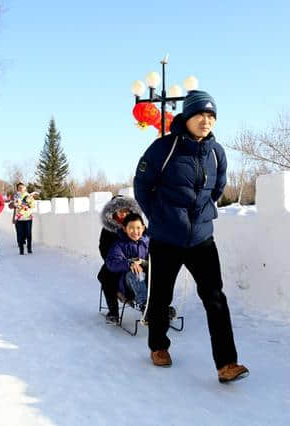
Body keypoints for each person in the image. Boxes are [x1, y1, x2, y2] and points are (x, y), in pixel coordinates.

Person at [133, 90, 249, 383]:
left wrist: (203, 214)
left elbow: (218, 188)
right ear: (186, 117)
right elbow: (141, 185)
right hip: (166, 238)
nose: (206, 120)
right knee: (160, 296)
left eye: (211, 116)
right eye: (201, 114)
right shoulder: (164, 148)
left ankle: (227, 363)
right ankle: (158, 346)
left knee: (215, 298)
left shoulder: (216, 152)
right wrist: (158, 217)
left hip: (201, 239)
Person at [98, 195, 142, 323]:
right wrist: (119, 262)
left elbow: (147, 240)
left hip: (139, 260)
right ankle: (113, 312)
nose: (124, 214)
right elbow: (103, 249)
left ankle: (162, 307)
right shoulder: (108, 229)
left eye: (126, 211)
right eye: (120, 211)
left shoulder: (136, 225)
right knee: (106, 277)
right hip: (116, 262)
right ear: (113, 212)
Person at [105, 213, 149, 310]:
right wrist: (129, 263)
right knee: (136, 272)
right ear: (125, 229)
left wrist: (143, 262)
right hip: (128, 283)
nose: (135, 231)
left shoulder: (148, 242)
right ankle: (144, 305)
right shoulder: (119, 244)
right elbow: (112, 263)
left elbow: (156, 260)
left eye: (138, 228)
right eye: (131, 228)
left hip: (148, 279)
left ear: (143, 228)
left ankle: (162, 305)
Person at [9, 182, 36, 255]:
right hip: (19, 218)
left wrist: (27, 204)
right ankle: (21, 250)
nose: (21, 189)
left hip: (28, 217)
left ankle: (29, 248)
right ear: (17, 189)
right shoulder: (15, 196)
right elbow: (10, 205)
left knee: (28, 234)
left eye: (22, 187)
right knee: (20, 234)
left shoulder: (29, 196)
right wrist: (13, 204)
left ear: (25, 188)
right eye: (19, 187)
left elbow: (33, 205)